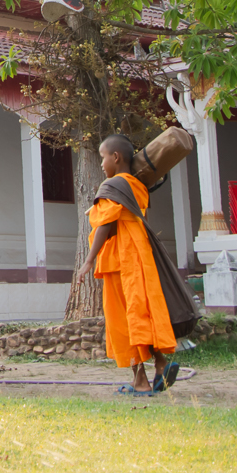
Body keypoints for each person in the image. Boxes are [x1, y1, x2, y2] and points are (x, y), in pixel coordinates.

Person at [74, 137, 181, 395]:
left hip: (121, 257)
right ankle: (160, 363)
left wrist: (89, 260)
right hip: (141, 254)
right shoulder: (136, 184)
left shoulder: (112, 185)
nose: (101, 163)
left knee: (123, 317)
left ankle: (141, 381)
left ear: (116, 157)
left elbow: (107, 224)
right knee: (144, 310)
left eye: (103, 157)